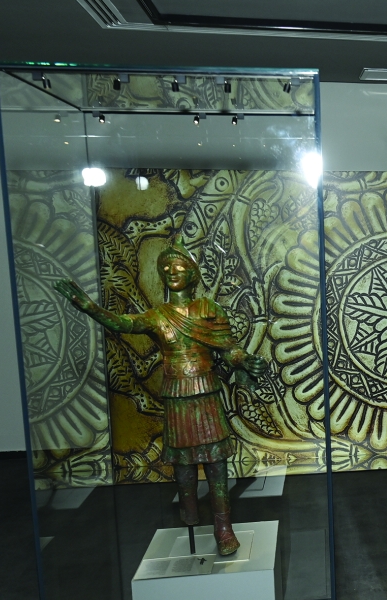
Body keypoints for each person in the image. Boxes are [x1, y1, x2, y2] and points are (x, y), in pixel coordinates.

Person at [54, 237, 265, 556]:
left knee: (216, 463)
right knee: (183, 464)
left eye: (178, 266)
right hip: (177, 395)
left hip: (206, 394)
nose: (171, 271)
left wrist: (245, 359)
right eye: (165, 268)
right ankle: (190, 516)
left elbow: (228, 349)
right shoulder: (158, 316)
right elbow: (124, 323)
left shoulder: (209, 310)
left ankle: (223, 528)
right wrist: (90, 308)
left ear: (192, 273)